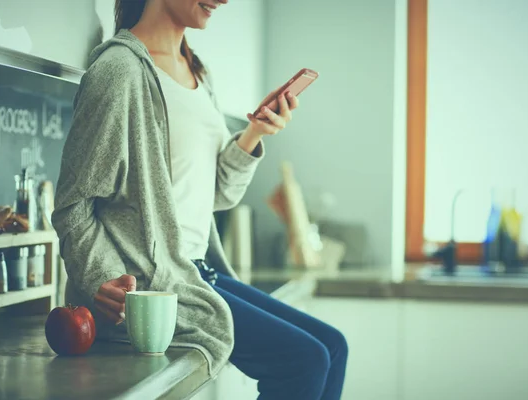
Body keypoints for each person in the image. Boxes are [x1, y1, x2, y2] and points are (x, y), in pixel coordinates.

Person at [51, 0, 348, 399]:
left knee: (332, 347)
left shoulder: (197, 73)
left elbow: (218, 195)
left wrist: (254, 132)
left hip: (198, 269)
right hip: (157, 283)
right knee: (303, 361)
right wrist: (100, 276)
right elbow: (74, 203)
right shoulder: (119, 71)